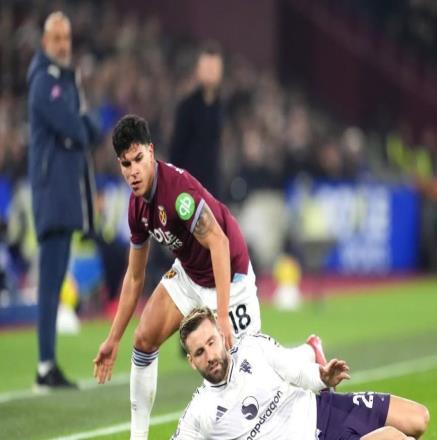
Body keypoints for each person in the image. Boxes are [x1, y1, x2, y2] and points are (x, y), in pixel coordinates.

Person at [93, 115, 320, 439]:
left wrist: (222, 316)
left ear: (151, 151)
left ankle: (309, 354)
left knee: (251, 376)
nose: (133, 171)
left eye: (139, 159)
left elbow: (219, 243)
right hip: (190, 273)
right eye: (125, 164)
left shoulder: (178, 194)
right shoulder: (137, 208)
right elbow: (134, 276)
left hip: (230, 277)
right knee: (143, 338)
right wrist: (113, 338)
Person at [173, 307, 430, 440]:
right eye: (199, 352)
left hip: (323, 410)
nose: (210, 356)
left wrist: (322, 378)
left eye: (211, 343)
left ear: (221, 335)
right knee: (395, 438)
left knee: (418, 419)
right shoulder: (199, 412)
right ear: (191, 361)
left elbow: (295, 372)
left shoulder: (252, 346)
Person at [27, 11, 100, 390]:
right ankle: (44, 366)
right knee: (49, 283)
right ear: (45, 42)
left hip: (65, 192)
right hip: (52, 192)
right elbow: (75, 126)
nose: (62, 44)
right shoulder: (45, 82)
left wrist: (82, 126)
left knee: (55, 283)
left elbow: (88, 130)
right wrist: (81, 126)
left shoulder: (65, 81)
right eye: (56, 38)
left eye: (66, 37)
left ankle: (48, 364)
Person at [169, 43, 224, 198]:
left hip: (211, 185)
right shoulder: (187, 107)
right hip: (189, 185)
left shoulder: (220, 107)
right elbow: (177, 148)